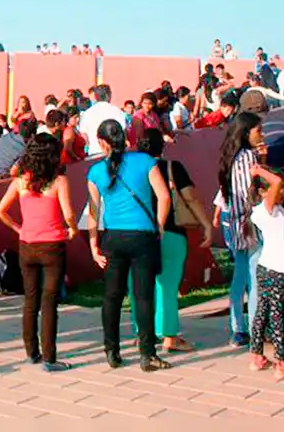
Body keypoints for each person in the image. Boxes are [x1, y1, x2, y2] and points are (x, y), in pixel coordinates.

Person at [86, 120, 172, 372]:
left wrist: (94, 246)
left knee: (112, 296)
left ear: (101, 142)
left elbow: (93, 213)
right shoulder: (145, 161)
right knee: (143, 296)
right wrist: (160, 226)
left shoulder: (95, 171)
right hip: (142, 236)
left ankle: (112, 351)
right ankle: (148, 354)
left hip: (113, 237)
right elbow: (164, 197)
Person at [0, 133, 77, 371]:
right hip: (52, 246)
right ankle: (50, 358)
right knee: (49, 301)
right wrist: (71, 229)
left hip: (27, 245)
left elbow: (1, 211)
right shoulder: (59, 182)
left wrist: (18, 228)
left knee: (30, 301)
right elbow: (69, 214)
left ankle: (32, 352)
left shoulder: (20, 182)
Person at [129, 129, 213, 353]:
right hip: (171, 231)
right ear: (162, 147)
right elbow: (190, 198)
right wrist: (205, 223)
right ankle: (169, 336)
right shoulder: (172, 168)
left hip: (139, 234)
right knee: (167, 284)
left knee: (140, 285)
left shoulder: (131, 169)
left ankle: (142, 332)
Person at [215, 112, 264, 347]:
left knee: (240, 277)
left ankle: (238, 329)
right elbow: (250, 193)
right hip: (249, 224)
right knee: (254, 278)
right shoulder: (247, 158)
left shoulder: (232, 157)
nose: (261, 135)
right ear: (246, 133)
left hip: (236, 223)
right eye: (258, 131)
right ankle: (255, 328)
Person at [247, 164, 284, 379]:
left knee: (263, 311)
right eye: (277, 189)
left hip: (267, 267)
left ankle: (256, 355)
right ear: (263, 191)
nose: (281, 191)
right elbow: (276, 182)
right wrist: (259, 170)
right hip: (276, 270)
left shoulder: (274, 210)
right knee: (277, 314)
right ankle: (280, 361)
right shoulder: (264, 210)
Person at [79, 85, 128, 157]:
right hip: (114, 152)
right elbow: (123, 131)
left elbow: (83, 135)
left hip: (94, 152)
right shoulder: (117, 111)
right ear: (109, 95)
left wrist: (89, 145)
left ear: (95, 96)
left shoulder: (88, 112)